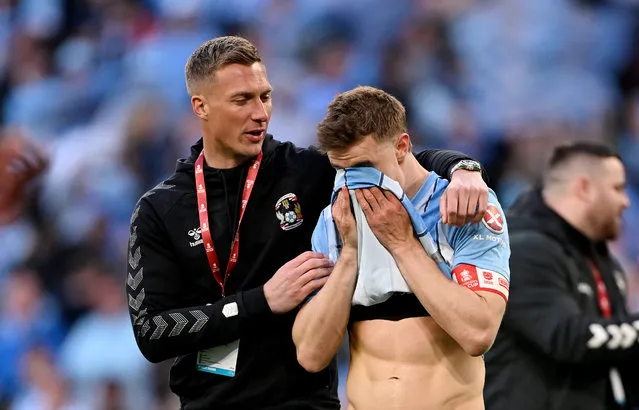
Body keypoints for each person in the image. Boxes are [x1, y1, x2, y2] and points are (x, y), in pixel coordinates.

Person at [126, 36, 490, 410]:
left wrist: (463, 169)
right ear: (200, 106)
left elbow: (395, 159)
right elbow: (151, 333)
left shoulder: (306, 173)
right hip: (210, 403)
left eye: (264, 96)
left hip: (305, 401)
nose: (260, 112)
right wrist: (261, 302)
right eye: (242, 100)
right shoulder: (160, 209)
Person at [292, 86, 510, 410]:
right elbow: (311, 354)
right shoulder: (336, 219)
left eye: (364, 165)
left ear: (401, 147)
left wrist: (403, 244)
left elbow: (478, 332)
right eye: (341, 169)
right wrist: (349, 256)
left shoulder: (461, 207)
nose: (353, 181)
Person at [483, 142, 639, 410]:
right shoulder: (522, 252)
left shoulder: (602, 260)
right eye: (617, 188)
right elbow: (565, 337)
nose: (626, 201)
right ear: (584, 188)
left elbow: (618, 346)